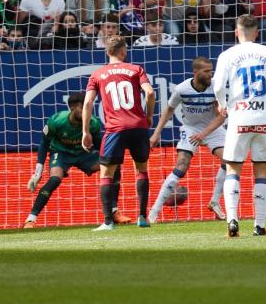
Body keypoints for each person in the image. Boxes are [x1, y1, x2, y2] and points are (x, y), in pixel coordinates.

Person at [212, 14, 266, 237]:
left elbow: (218, 84)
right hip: (263, 120)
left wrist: (222, 104)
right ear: (257, 33)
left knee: (233, 169)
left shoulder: (227, 55)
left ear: (236, 32)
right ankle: (259, 225)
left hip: (239, 119)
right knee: (261, 171)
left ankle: (231, 220)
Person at [82, 35, 156, 230]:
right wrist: (148, 116)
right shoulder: (135, 69)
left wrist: (85, 131)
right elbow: (149, 92)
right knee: (141, 170)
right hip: (138, 127)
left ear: (107, 52)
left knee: (106, 174)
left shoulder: (97, 74)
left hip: (115, 129)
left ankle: (108, 222)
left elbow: (88, 102)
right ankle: (142, 217)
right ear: (124, 51)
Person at [24, 92, 125, 228]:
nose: (86, 111)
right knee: (55, 179)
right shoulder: (56, 121)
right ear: (72, 108)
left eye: (88, 107)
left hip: (83, 154)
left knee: (114, 165)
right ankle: (31, 219)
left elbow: (99, 147)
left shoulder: (93, 123)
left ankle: (113, 211)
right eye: (82, 108)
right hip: (61, 153)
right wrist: (38, 172)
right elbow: (44, 144)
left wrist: (110, 158)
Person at [148, 57, 227, 223]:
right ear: (196, 72)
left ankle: (214, 201)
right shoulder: (182, 89)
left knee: (229, 160)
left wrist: (204, 134)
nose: (210, 74)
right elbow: (169, 110)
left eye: (211, 71)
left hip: (212, 128)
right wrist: (156, 133)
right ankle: (154, 210)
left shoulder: (216, 87)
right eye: (206, 71)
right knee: (181, 166)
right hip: (190, 129)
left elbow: (222, 116)